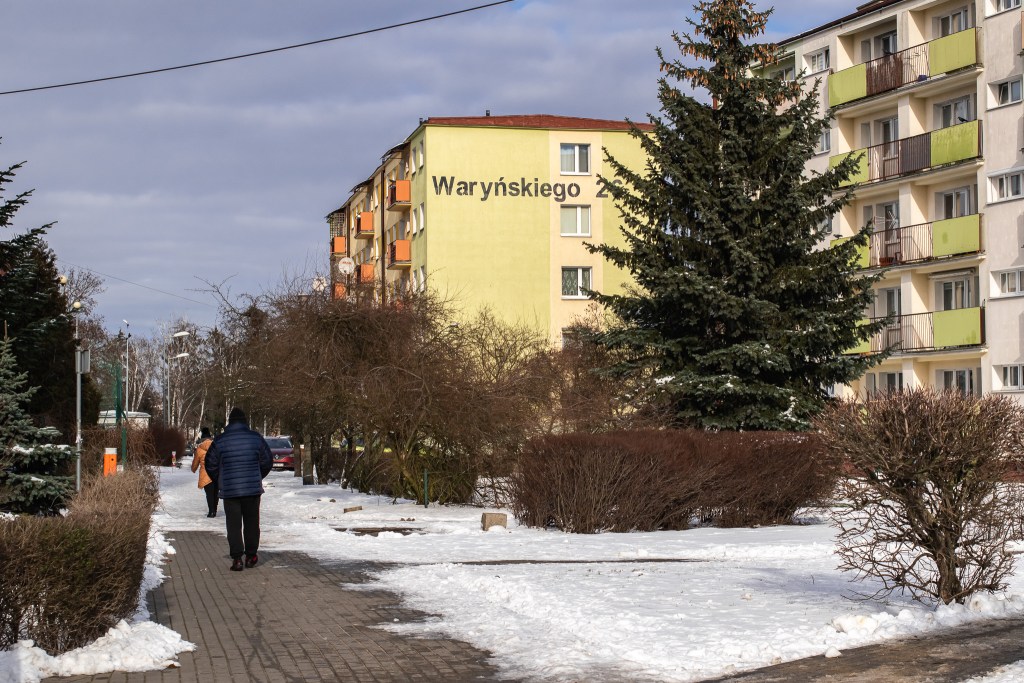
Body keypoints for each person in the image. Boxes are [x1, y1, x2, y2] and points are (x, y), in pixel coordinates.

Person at [204, 407, 273, 572]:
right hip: (252, 491)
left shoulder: (220, 441)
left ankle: (237, 559)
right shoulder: (256, 438)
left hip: (230, 491)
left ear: (230, 422)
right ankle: (251, 556)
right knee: (251, 523)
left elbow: (210, 464)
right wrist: (257, 476)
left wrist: (221, 480)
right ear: (245, 422)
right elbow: (267, 461)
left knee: (233, 525)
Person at [190, 426, 217, 517]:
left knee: (209, 493)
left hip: (205, 473)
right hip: (216, 473)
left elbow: (195, 462)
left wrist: (193, 469)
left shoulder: (200, 449)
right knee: (215, 492)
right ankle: (214, 510)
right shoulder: (216, 446)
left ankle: (211, 511)